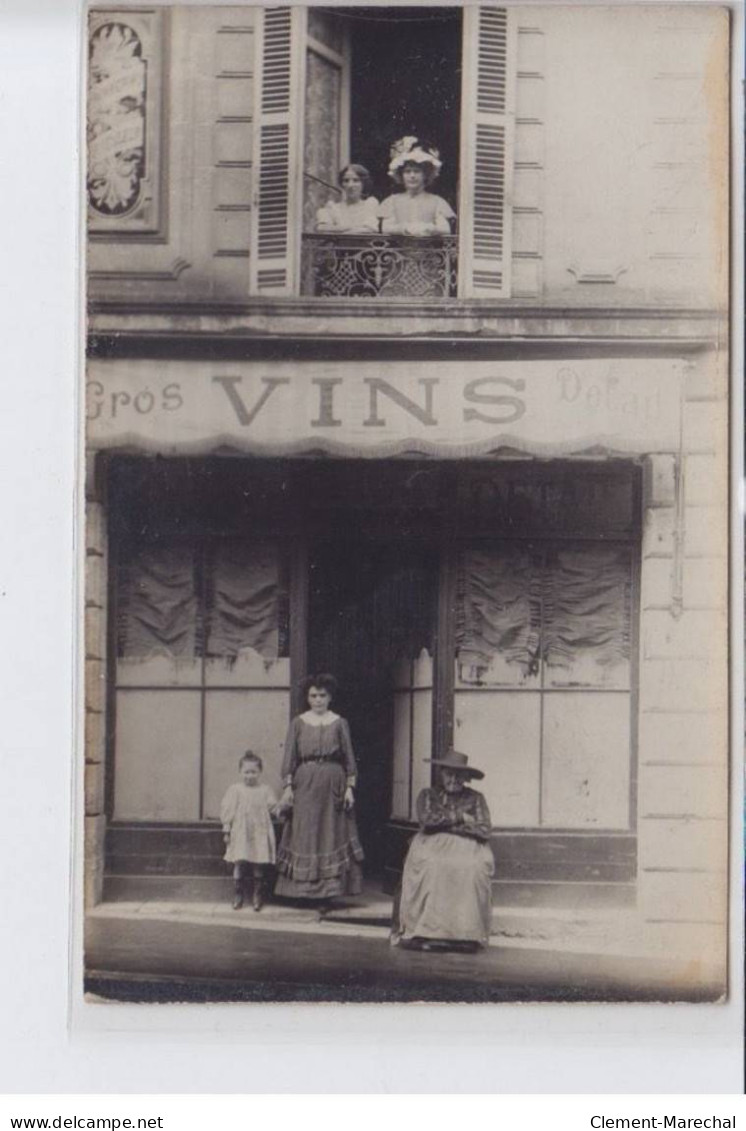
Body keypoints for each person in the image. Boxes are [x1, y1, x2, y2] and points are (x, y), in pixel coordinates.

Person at [274, 673, 364, 906]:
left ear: (330, 697)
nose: (317, 700)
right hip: (304, 784)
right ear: (307, 697)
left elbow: (349, 758)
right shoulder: (298, 723)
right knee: (305, 833)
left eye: (322, 695)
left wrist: (349, 789)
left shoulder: (339, 723)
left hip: (333, 784)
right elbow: (289, 758)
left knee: (330, 833)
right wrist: (288, 788)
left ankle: (328, 893)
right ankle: (301, 892)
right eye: (313, 696)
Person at [391, 749, 494, 952]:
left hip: (468, 847)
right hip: (431, 844)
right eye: (449, 773)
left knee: (472, 868)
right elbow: (428, 821)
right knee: (432, 865)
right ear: (441, 773)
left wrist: (446, 822)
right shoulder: (428, 795)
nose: (453, 779)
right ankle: (424, 932)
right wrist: (462, 818)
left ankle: (466, 935)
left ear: (466, 777)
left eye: (459, 775)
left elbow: (484, 829)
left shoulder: (476, 798)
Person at [220, 751, 278, 912]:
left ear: (260, 772)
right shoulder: (235, 790)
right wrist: (226, 830)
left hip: (259, 832)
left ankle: (257, 895)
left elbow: (273, 807)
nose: (250, 775)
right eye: (246, 772)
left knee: (258, 863)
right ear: (240, 772)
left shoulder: (265, 790)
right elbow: (228, 811)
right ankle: (238, 894)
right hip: (241, 832)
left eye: (253, 772)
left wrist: (281, 807)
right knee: (239, 861)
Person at [379, 136, 455, 237]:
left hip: (429, 252)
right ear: (401, 175)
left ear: (425, 175)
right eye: (407, 172)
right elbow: (386, 228)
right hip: (397, 252)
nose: (412, 176)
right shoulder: (392, 201)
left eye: (417, 171)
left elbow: (445, 229)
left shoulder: (437, 201)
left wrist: (429, 228)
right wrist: (404, 229)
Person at [315, 164, 379, 233]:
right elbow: (321, 228)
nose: (350, 185)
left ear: (363, 183)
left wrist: (339, 230)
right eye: (346, 180)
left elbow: (372, 228)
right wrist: (354, 228)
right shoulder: (334, 208)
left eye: (356, 180)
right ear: (342, 184)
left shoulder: (369, 206)